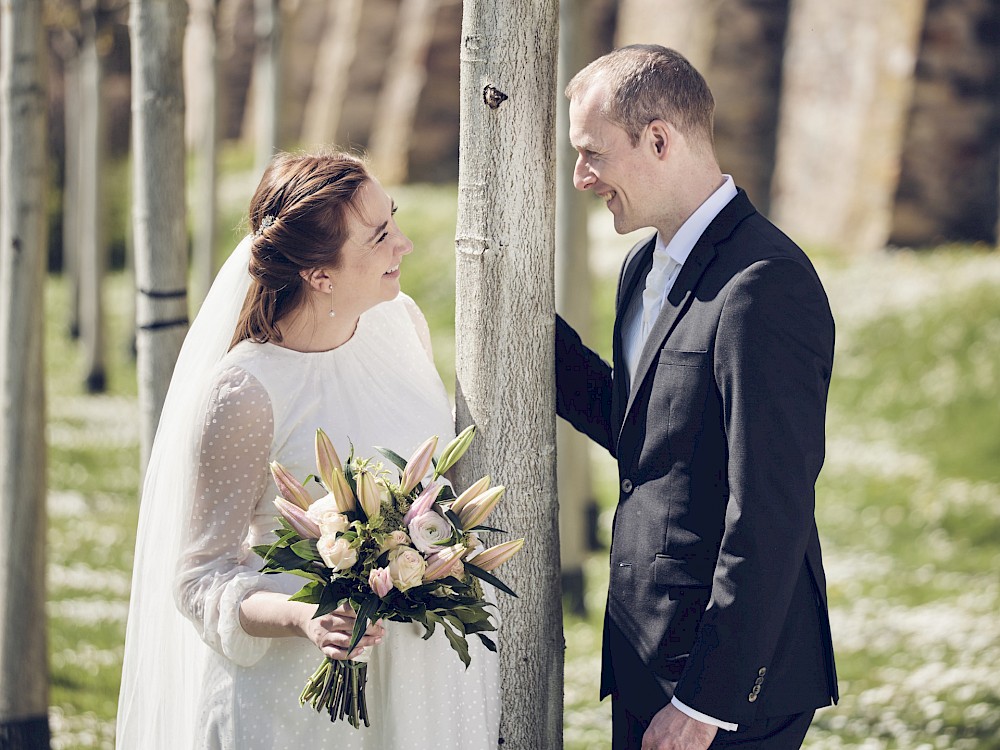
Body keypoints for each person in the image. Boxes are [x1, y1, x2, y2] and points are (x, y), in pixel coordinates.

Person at [116, 151, 500, 749]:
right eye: (379, 236)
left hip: (422, 686)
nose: (404, 245)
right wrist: (303, 616)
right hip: (297, 709)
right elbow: (199, 577)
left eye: (393, 219)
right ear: (320, 275)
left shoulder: (402, 324)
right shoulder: (246, 392)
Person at [555, 45, 838, 750]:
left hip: (725, 688)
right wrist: (527, 334)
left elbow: (770, 510)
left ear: (659, 139)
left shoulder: (763, 284)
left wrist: (706, 704)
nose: (581, 177)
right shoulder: (643, 264)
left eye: (592, 153)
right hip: (645, 659)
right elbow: (647, 433)